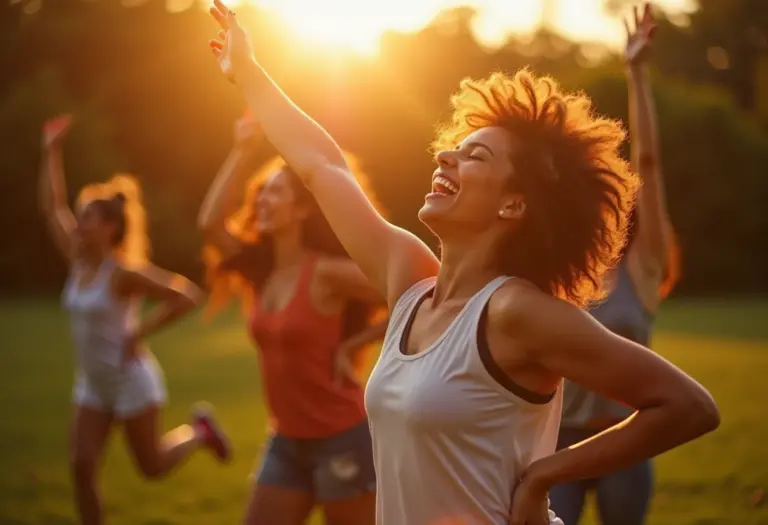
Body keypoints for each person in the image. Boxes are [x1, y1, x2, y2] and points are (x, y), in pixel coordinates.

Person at [206, 3, 720, 524]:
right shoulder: (410, 283)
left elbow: (687, 407)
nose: (446, 156)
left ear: (513, 204)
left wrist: (546, 474)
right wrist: (250, 74)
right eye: (456, 147)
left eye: (476, 157)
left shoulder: (514, 312)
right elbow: (323, 166)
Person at [39, 115, 231, 525]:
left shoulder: (122, 272)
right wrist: (51, 151)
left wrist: (139, 332)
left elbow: (186, 296)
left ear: (109, 228)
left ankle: (200, 433)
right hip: (93, 382)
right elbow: (51, 206)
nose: (78, 224)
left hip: (130, 380)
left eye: (87, 218)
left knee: (153, 467)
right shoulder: (77, 262)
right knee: (81, 466)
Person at [198, 112, 387, 525]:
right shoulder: (261, 271)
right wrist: (242, 149)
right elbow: (211, 223)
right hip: (285, 439)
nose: (263, 199)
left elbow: (412, 294)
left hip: (342, 438)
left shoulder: (327, 273)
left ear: (302, 209)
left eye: (276, 192)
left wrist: (357, 344)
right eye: (261, 192)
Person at [549, 5, 680, 525]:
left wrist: (637, 73)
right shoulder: (559, 274)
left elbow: (648, 163)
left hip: (626, 439)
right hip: (559, 445)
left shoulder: (643, 271)